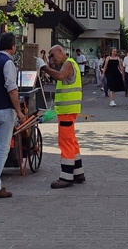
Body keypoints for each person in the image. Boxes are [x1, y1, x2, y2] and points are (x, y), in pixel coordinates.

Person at [0, 32, 27, 199]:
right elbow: (12, 89)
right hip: (4, 110)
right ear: (13, 46)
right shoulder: (8, 63)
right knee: (2, 148)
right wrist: (19, 111)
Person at [40, 45, 84, 188]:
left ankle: (66, 177)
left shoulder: (68, 64)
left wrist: (44, 68)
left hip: (67, 111)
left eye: (52, 55)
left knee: (65, 142)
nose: (52, 59)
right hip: (69, 110)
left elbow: (59, 76)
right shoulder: (71, 63)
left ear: (60, 51)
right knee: (72, 141)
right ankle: (78, 173)